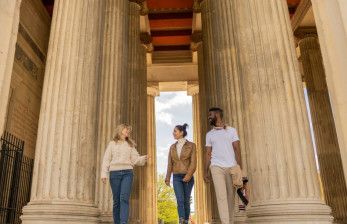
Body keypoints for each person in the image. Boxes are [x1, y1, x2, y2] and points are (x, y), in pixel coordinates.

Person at [101, 124, 149, 224]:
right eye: (126, 129)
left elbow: (135, 159)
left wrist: (144, 158)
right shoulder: (112, 143)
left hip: (128, 173)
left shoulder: (130, 145)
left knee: (124, 198)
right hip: (114, 173)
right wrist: (104, 174)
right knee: (117, 201)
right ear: (120, 130)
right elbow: (106, 159)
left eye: (129, 130)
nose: (128, 131)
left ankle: (124, 222)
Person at [204, 108, 242, 224]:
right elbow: (208, 153)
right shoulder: (209, 134)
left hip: (231, 166)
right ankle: (225, 222)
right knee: (221, 196)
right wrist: (205, 171)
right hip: (216, 167)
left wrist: (239, 167)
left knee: (231, 196)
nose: (209, 117)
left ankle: (230, 221)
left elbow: (237, 149)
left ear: (218, 115)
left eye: (211, 115)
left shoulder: (231, 131)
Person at [165, 123, 197, 224]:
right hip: (176, 177)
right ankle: (182, 219)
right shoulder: (172, 147)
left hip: (188, 176)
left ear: (181, 132)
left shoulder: (191, 145)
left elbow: (193, 162)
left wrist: (188, 175)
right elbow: (170, 164)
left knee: (186, 201)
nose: (173, 133)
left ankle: (186, 221)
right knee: (180, 200)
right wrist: (167, 178)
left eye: (175, 131)